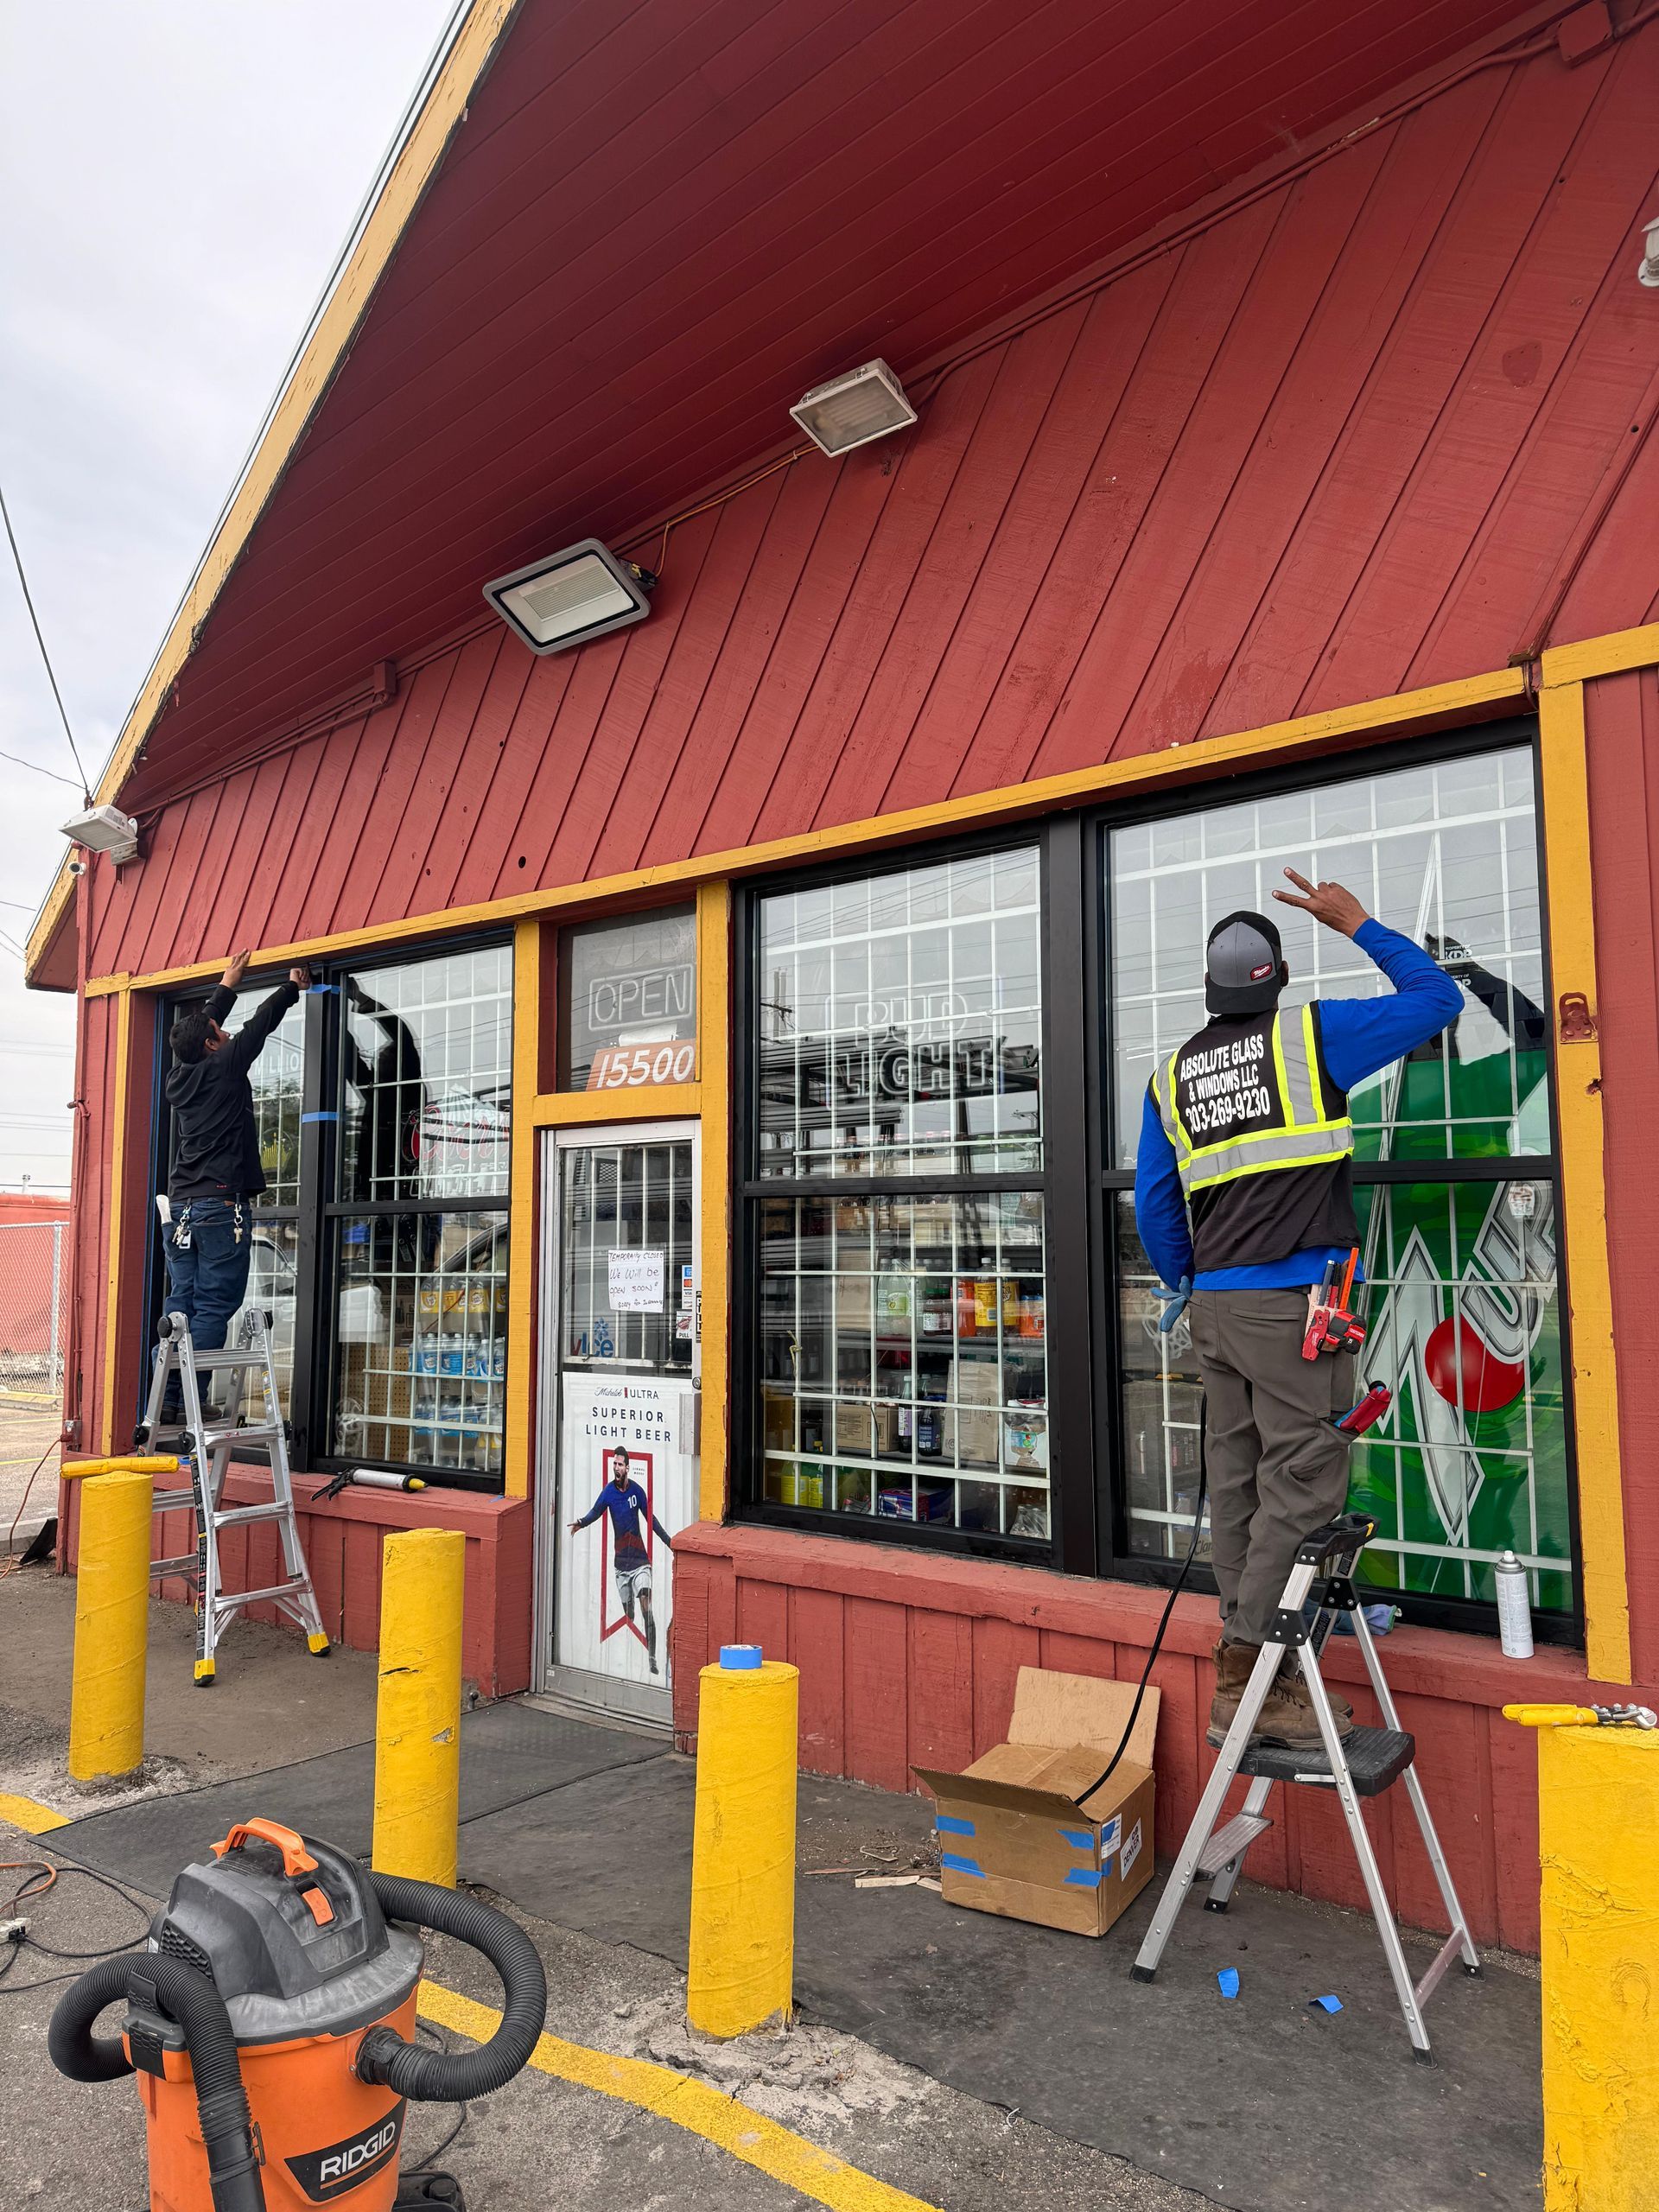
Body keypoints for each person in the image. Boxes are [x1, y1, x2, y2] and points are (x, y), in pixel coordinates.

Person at [1135, 870, 1461, 1749]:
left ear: (1210, 989)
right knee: (1303, 1485)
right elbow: (1434, 999)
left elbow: (1156, 1208)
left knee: (1240, 1489)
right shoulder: (1311, 1039)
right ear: (1275, 980)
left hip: (1218, 1314)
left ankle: (1244, 1677)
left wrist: (1188, 1282)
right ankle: (1254, 1678)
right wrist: (1358, 923)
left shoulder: (1170, 1077)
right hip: (1294, 1313)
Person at [160, 950, 309, 1416]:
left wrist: (228, 982)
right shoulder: (225, 1066)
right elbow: (260, 1024)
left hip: (181, 1207)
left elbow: (203, 1024)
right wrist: (292, 988)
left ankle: (166, 1401)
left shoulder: (177, 1078)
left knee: (181, 1302)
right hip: (220, 1206)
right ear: (211, 1045)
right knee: (211, 1307)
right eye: (219, 1034)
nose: (225, 1034)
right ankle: (190, 1400)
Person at [568, 1446, 675, 1675]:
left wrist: (669, 1542)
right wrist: (581, 1522)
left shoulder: (637, 1492)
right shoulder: (608, 1492)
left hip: (640, 1562)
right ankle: (630, 1608)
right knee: (631, 1613)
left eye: (620, 1464)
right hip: (621, 1567)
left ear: (628, 1467)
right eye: (614, 1464)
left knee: (646, 1602)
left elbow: (651, 1519)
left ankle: (652, 1658)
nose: (616, 1468)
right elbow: (595, 1512)